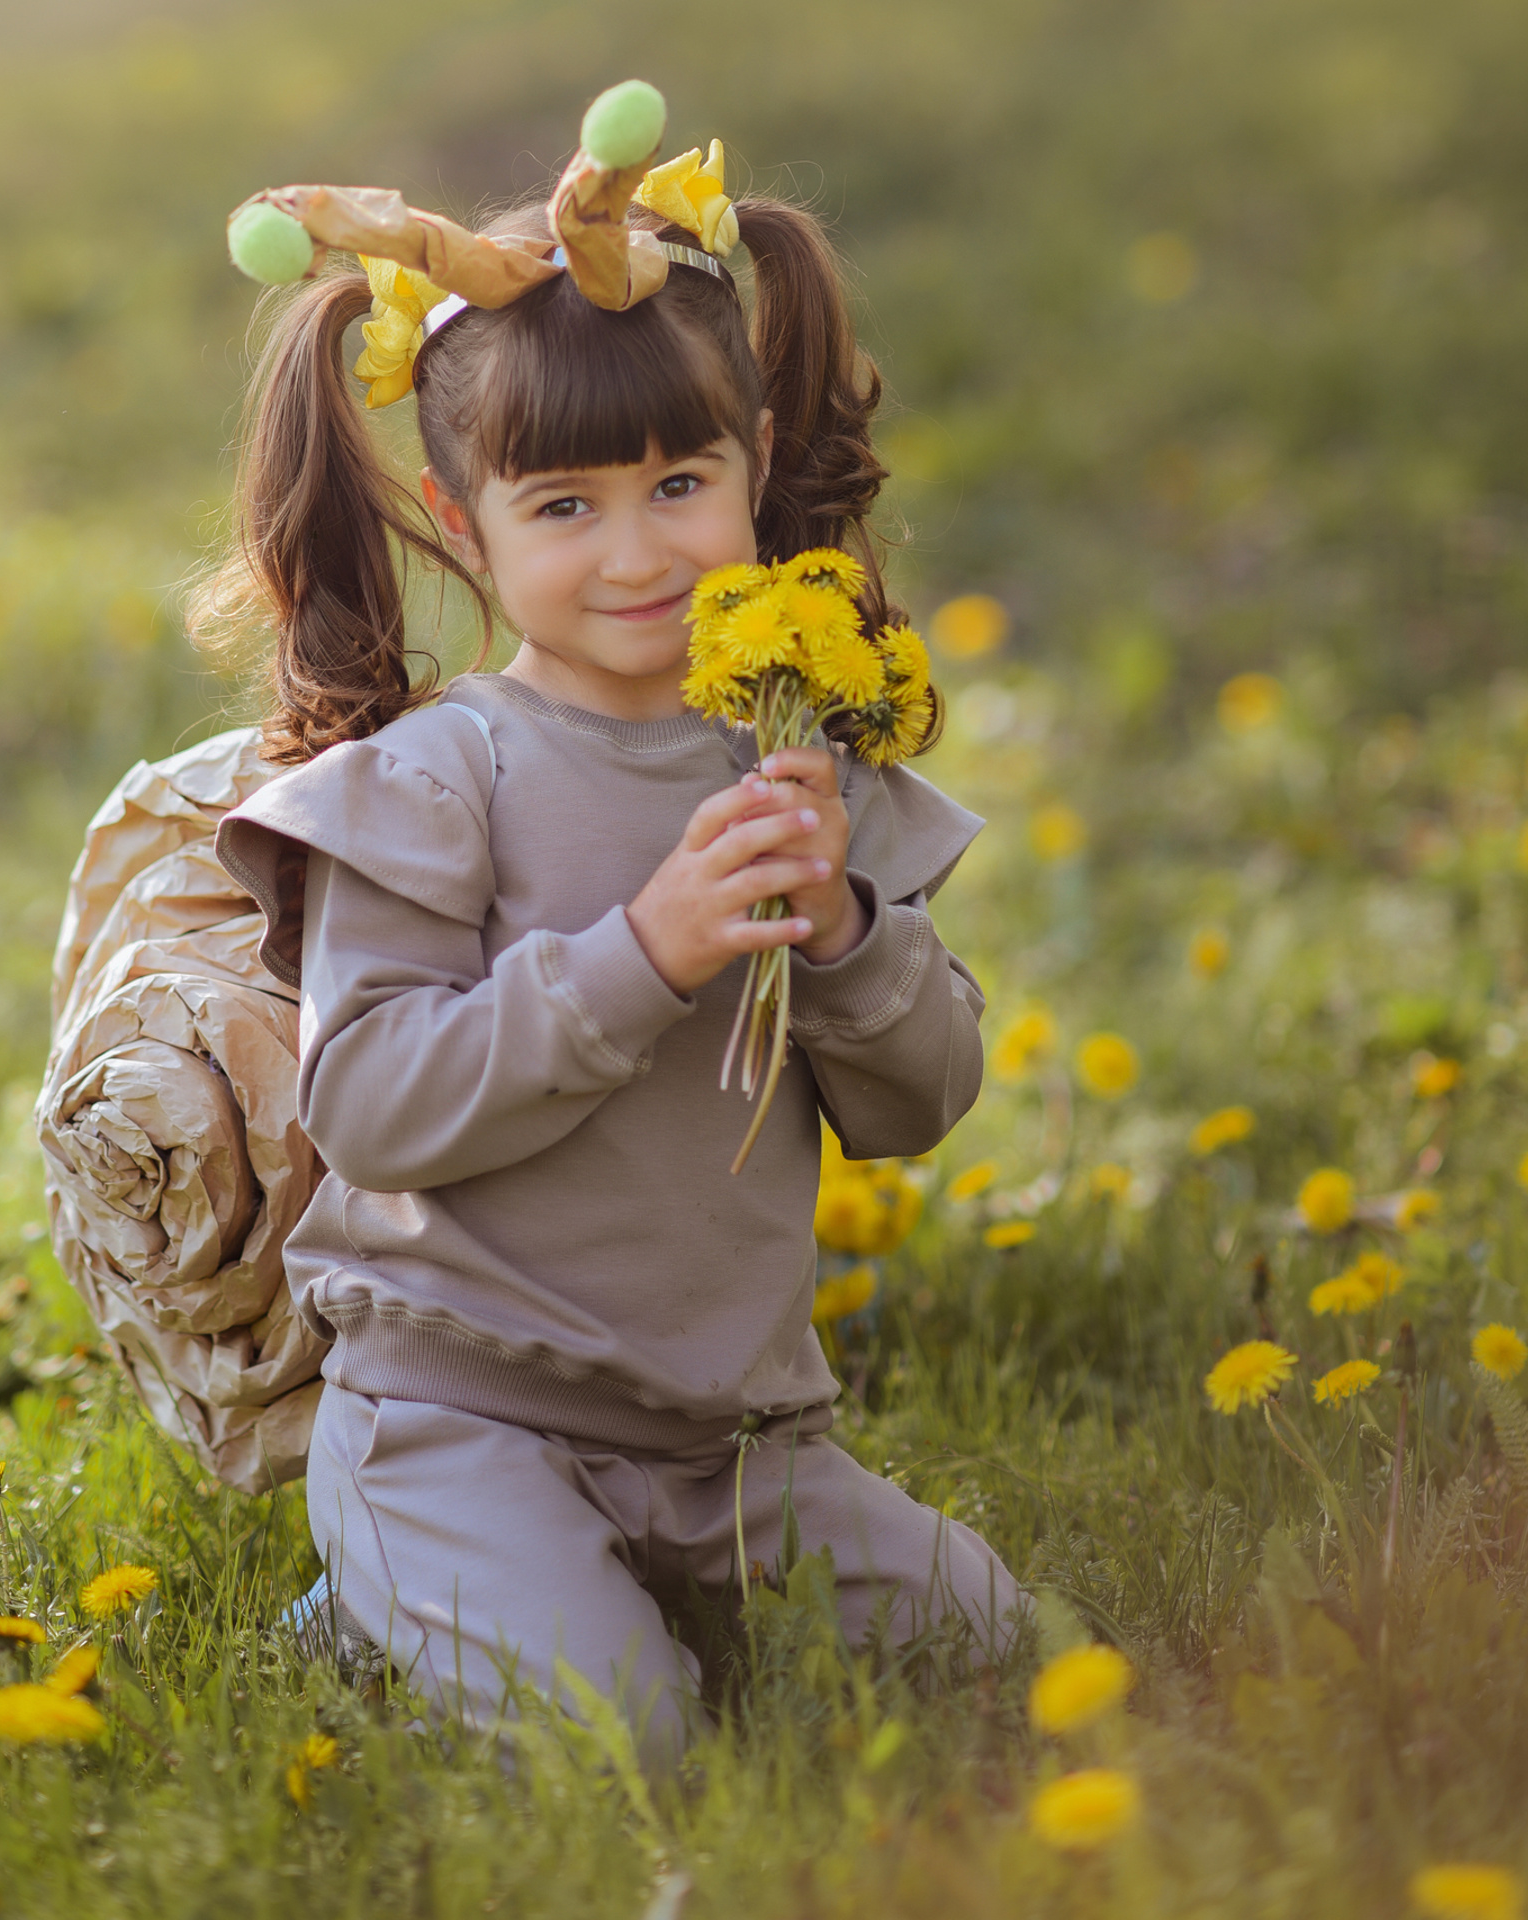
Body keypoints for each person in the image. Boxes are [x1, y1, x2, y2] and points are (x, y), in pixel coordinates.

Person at [208, 112, 1025, 1762]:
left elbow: (924, 1103)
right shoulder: (444, 777)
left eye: (677, 483)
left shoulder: (799, 753)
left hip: (729, 1436)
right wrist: (645, 953)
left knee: (987, 1643)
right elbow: (370, 1107)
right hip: (462, 1410)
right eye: (567, 505)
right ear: (465, 510)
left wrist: (851, 927)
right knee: (629, 1745)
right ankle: (384, 1598)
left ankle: (590, 1594)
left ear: (755, 451)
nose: (639, 550)